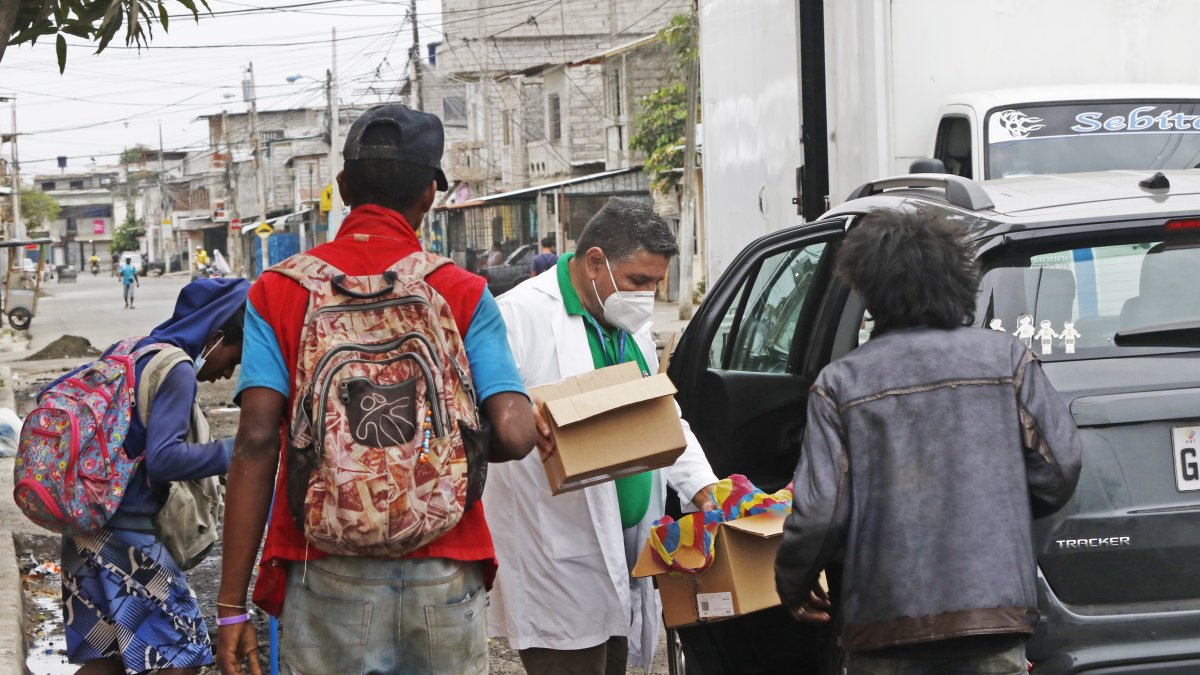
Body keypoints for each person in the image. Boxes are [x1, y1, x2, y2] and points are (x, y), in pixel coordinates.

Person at [215, 103, 537, 675]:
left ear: (341, 186)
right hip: (444, 560)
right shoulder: (461, 291)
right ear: (430, 195)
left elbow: (257, 441)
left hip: (323, 565)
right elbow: (512, 433)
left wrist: (230, 607)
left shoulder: (276, 291)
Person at [774, 208, 1082, 674]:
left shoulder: (841, 383)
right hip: (994, 617)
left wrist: (793, 584)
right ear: (958, 281)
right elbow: (1059, 471)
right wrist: (996, 514)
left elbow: (819, 513)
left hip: (883, 626)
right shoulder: (1006, 360)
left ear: (871, 291)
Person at [486, 197, 719, 674]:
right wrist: (526, 417)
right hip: (557, 557)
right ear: (595, 262)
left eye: (656, 283)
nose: (647, 295)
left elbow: (659, 414)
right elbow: (479, 420)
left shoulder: (627, 324)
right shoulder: (517, 318)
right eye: (639, 281)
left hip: (625, 550)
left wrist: (704, 489)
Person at [58, 278, 250, 675]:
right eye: (232, 358)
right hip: (129, 539)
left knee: (105, 658)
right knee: (185, 652)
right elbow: (163, 460)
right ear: (214, 338)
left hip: (85, 529)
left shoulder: (133, 349)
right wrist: (237, 452)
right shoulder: (176, 368)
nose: (227, 372)